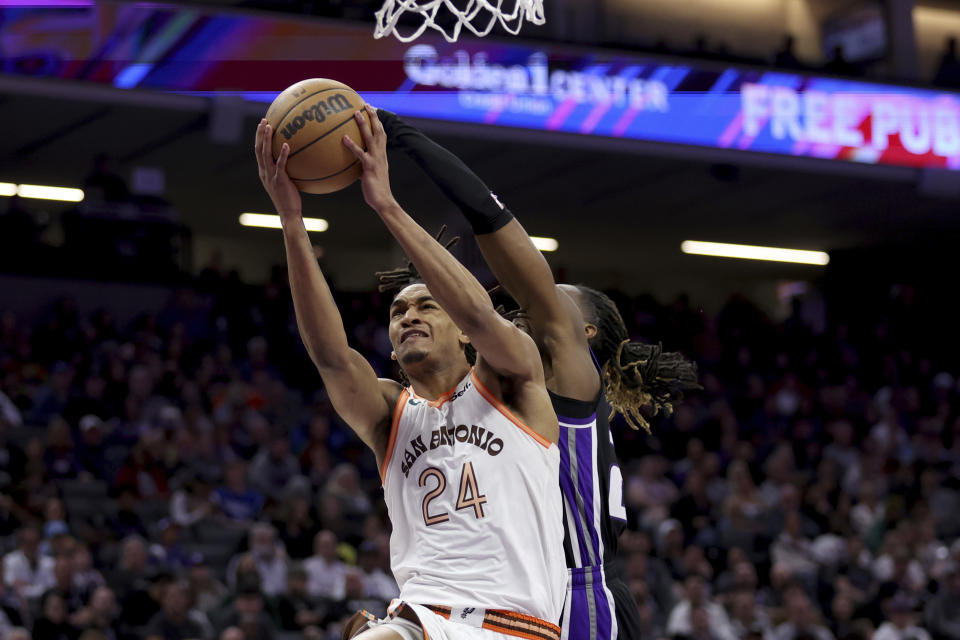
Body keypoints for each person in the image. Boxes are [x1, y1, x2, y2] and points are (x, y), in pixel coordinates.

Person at [375, 108, 698, 640]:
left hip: (576, 593)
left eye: (556, 302)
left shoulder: (566, 375)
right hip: (500, 593)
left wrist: (405, 137)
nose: (528, 307)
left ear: (584, 335)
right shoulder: (487, 389)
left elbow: (494, 226)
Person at [255, 105, 566, 640]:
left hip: (516, 627)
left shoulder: (512, 382)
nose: (409, 317)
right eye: (397, 313)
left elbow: (476, 310)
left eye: (425, 306)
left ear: (463, 333)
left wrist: (385, 203)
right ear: (393, 351)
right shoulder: (390, 416)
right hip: (424, 616)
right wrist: (291, 223)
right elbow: (331, 356)